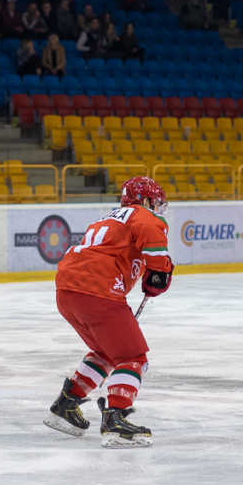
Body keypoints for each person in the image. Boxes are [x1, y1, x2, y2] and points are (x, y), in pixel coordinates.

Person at [44, 176, 174, 449]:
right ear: (147, 200)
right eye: (157, 203)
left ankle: (66, 405)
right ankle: (116, 417)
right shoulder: (143, 214)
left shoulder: (111, 218)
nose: (158, 209)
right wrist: (159, 273)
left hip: (67, 291)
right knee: (133, 358)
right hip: (97, 292)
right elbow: (153, 233)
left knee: (106, 353)